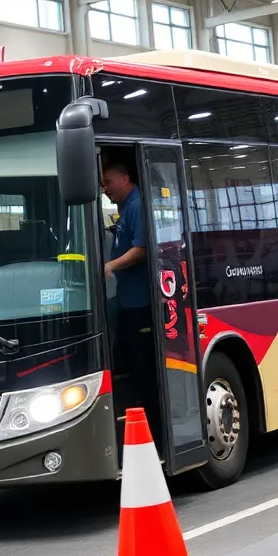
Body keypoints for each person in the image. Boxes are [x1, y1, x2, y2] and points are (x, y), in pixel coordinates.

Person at [101, 160, 158, 438]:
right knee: (130, 361)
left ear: (124, 179)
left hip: (141, 303)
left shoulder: (136, 206)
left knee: (144, 365)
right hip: (126, 300)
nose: (105, 190)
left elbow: (141, 250)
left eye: (108, 183)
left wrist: (110, 266)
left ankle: (155, 425)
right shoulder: (124, 208)